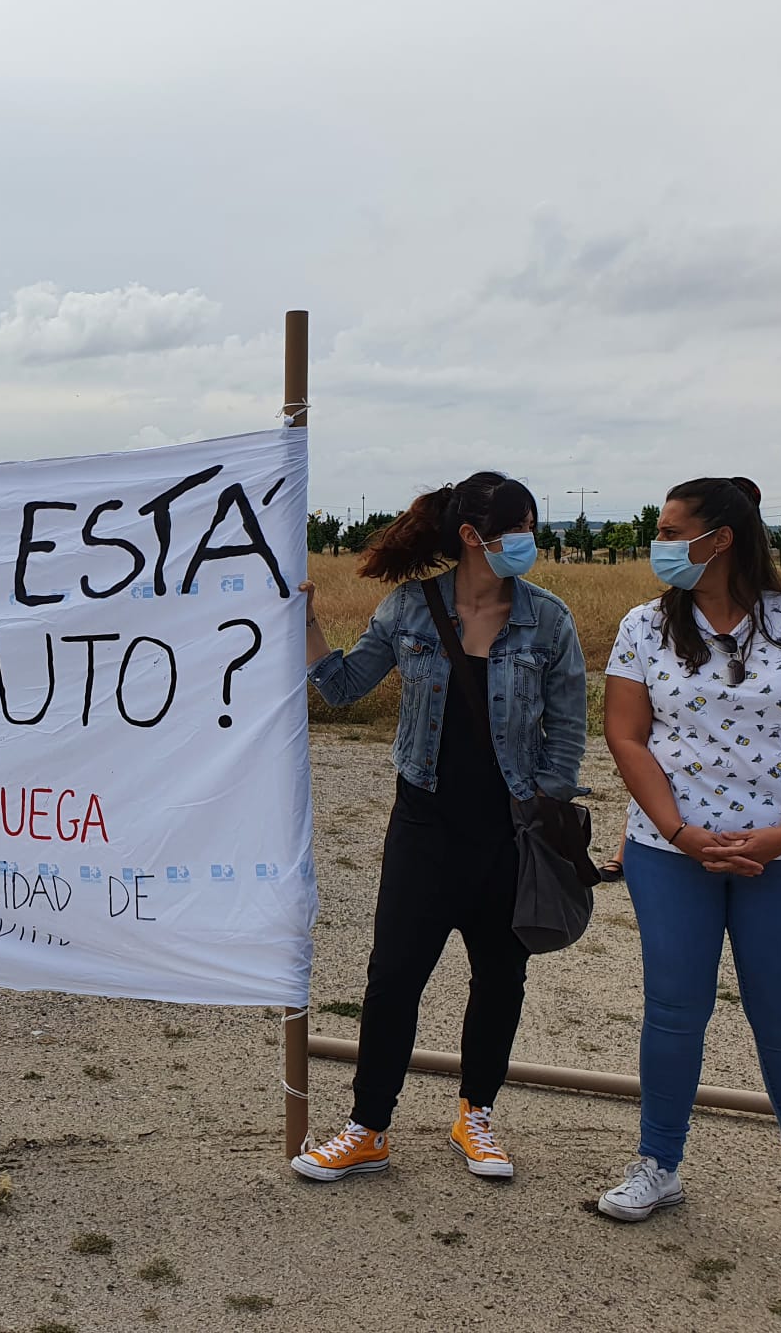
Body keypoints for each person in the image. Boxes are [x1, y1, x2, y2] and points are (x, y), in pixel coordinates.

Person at [596, 477, 781, 1262]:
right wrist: (679, 832)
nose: (660, 543)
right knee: (674, 1012)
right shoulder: (643, 627)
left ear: (723, 539)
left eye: (673, 530)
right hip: (670, 853)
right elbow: (627, 736)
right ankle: (658, 1165)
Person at [291, 473, 587, 1184]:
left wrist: (541, 813)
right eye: (519, 529)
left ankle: (475, 1113)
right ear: (470, 537)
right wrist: (302, 624)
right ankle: (368, 1126)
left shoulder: (548, 621)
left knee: (501, 976)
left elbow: (568, 732)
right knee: (393, 977)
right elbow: (341, 686)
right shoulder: (410, 611)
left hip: (510, 833)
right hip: (423, 821)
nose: (529, 543)